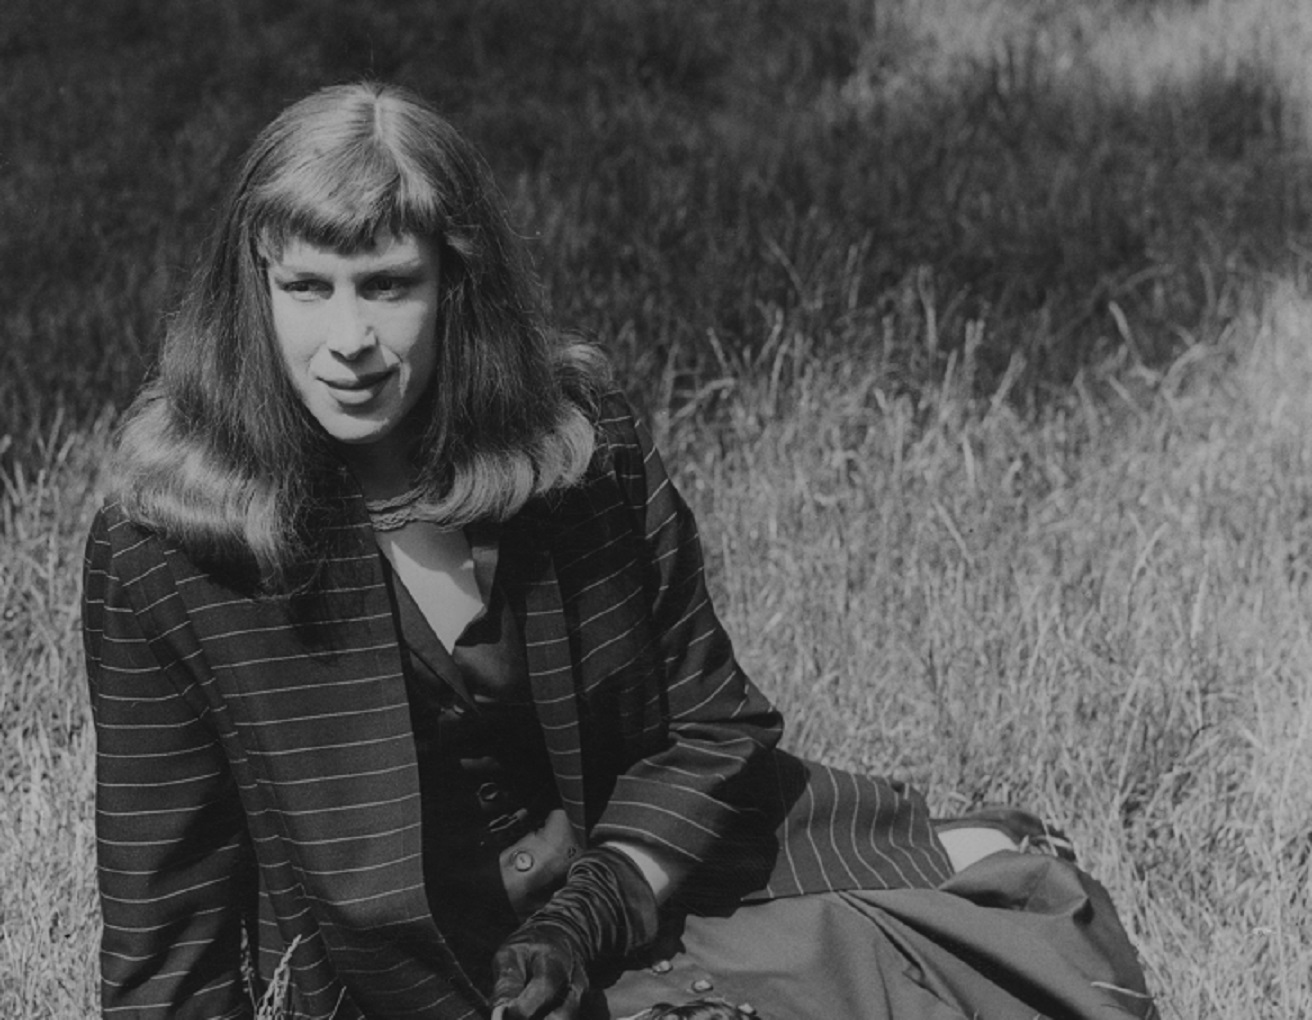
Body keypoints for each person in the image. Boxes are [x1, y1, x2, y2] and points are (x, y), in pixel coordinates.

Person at [82, 82, 1154, 1020]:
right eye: (306, 287)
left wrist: (589, 915)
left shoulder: (577, 448)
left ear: (458, 286)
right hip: (426, 978)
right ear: (250, 293)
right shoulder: (164, 548)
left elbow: (714, 728)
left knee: (1026, 931)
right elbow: (166, 911)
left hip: (655, 889)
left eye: (389, 284)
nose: (348, 339)